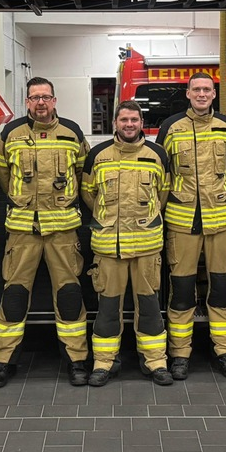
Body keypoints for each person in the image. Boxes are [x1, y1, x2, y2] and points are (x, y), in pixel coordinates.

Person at [0, 77, 91, 388]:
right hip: (22, 230)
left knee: (70, 296)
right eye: (34, 98)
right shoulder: (11, 134)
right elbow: (3, 176)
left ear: (55, 100)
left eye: (46, 97)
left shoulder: (71, 133)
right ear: (27, 102)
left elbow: (82, 173)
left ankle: (76, 360)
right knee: (15, 296)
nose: (41, 103)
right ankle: (4, 362)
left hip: (62, 230)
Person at [157, 72, 226, 381]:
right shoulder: (171, 128)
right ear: (188, 93)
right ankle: (180, 355)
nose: (203, 94)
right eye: (197, 89)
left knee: (222, 291)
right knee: (181, 293)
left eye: (208, 89)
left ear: (213, 94)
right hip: (182, 223)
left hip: (220, 221)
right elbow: (161, 173)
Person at [80, 100, 173, 387]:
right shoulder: (97, 154)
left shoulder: (157, 154)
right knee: (107, 308)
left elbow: (164, 193)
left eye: (134, 119)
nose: (129, 124)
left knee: (149, 307)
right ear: (115, 123)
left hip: (146, 246)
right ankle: (104, 363)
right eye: (124, 120)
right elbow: (88, 193)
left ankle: (155, 362)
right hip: (109, 247)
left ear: (141, 122)